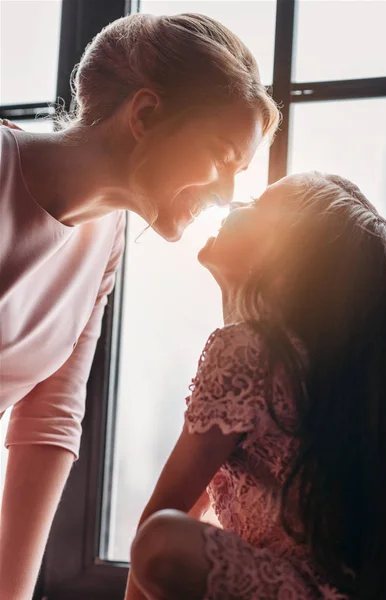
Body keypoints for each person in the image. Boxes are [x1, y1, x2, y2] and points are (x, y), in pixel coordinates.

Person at [0, 12, 279, 599]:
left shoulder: (105, 244)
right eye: (223, 156)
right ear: (146, 114)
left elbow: (49, 423)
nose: (229, 194)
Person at [125, 172, 386, 600]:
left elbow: (164, 510)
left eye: (256, 204)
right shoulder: (321, 366)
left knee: (162, 541)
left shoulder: (245, 350)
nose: (233, 205)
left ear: (288, 256)